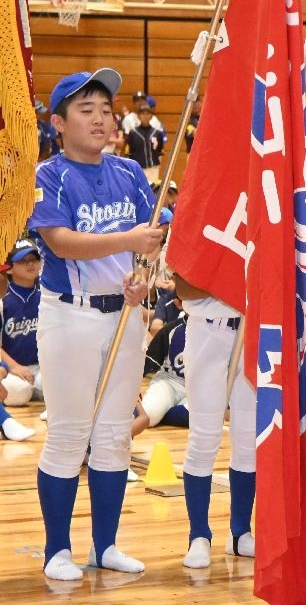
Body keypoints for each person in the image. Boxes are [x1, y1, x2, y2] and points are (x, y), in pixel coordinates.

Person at [28, 67, 162, 581]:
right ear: (58, 123)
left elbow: (153, 239)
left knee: (113, 437)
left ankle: (105, 545)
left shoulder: (130, 173)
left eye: (106, 110)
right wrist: (130, 241)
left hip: (125, 314)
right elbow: (60, 241)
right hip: (70, 314)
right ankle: (56, 551)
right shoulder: (48, 175)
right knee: (67, 434)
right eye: (87, 111)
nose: (101, 119)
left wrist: (143, 280)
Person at [168, 273, 257, 567]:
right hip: (207, 330)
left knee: (248, 438)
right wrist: (234, 281)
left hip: (252, 330)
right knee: (204, 436)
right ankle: (199, 535)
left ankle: (241, 532)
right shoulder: (195, 223)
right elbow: (183, 286)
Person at [130, 312, 189, 437]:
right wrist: (133, 387)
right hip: (169, 381)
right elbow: (148, 362)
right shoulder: (172, 329)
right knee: (148, 416)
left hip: (197, 388)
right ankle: (159, 410)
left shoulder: (215, 334)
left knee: (200, 418)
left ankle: (163, 412)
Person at [2, 240, 44, 409]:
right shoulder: (3, 298)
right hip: (12, 369)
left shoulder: (47, 297)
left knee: (59, 383)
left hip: (41, 368)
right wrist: (14, 367)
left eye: (34, 259)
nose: (30, 264)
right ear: (10, 268)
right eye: (23, 260)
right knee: (17, 392)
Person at [124, 101, 167, 183]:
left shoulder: (157, 133)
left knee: (152, 192)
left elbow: (160, 152)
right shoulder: (133, 133)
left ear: (151, 116)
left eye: (148, 114)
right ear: (138, 116)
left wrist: (158, 166)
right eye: (142, 114)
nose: (145, 116)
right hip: (138, 169)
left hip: (153, 168)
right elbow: (129, 153)